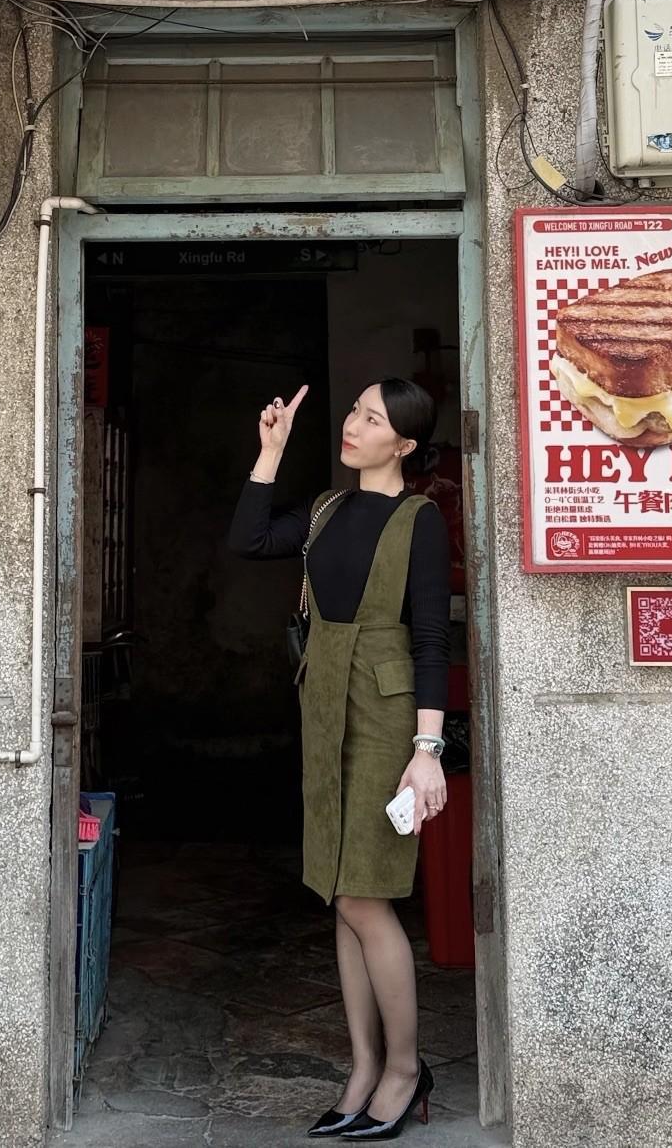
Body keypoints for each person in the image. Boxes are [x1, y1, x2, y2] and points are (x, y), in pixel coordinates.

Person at [228, 378, 452, 1140]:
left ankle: (405, 1068)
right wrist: (270, 451)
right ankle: (362, 1067)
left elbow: (432, 639)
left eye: (373, 418)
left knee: (365, 896)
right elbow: (249, 539)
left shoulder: (420, 519)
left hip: (389, 720)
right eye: (356, 410)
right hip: (324, 709)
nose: (353, 424)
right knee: (339, 889)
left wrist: (427, 750)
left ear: (405, 444)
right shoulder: (326, 509)